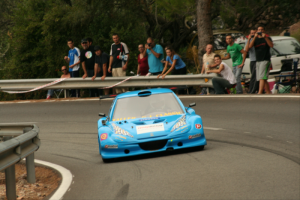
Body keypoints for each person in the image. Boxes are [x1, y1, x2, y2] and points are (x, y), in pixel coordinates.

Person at [249, 26, 273, 94]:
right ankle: (268, 92)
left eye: (262, 29)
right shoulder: (256, 39)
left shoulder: (268, 38)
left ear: (264, 30)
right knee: (262, 77)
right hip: (258, 60)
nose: (260, 31)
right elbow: (250, 46)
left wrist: (265, 37)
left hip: (265, 59)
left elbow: (271, 45)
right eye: (259, 30)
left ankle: (259, 93)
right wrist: (254, 37)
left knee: (261, 77)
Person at [244, 28, 259, 94]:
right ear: (249, 34)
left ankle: (252, 90)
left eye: (254, 33)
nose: (253, 34)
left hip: (258, 60)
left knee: (255, 76)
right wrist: (249, 39)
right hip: (252, 60)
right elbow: (246, 50)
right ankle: (256, 89)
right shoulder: (248, 40)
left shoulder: (259, 39)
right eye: (252, 33)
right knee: (253, 75)